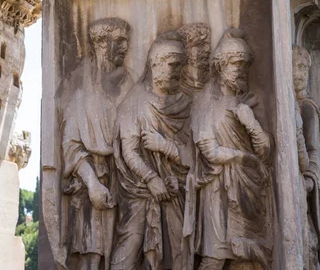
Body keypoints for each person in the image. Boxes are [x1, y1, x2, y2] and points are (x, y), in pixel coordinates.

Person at [185, 28, 273, 270]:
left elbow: (266, 150)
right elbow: (210, 152)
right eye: (235, 64)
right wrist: (246, 158)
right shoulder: (205, 103)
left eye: (244, 65)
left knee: (249, 258)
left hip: (248, 188)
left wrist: (251, 123)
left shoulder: (249, 102)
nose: (241, 70)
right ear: (220, 66)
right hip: (217, 189)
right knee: (215, 257)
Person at [111, 30, 192, 270]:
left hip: (177, 188)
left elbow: (193, 151)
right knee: (131, 245)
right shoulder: (135, 101)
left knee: (180, 249)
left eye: (180, 65)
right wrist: (151, 179)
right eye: (172, 65)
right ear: (156, 64)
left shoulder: (186, 104)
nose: (177, 71)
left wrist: (165, 147)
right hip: (139, 190)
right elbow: (130, 151)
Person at [60, 17, 134, 270]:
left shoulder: (129, 84)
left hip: (126, 178)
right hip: (91, 179)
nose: (126, 46)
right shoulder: (80, 87)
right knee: (92, 253)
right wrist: (92, 183)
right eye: (120, 41)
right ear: (102, 43)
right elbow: (70, 145)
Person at [293, 45, 320, 269]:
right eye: (297, 67)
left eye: (305, 68)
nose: (301, 73)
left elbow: (314, 149)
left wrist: (311, 177)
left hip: (303, 181)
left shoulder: (307, 108)